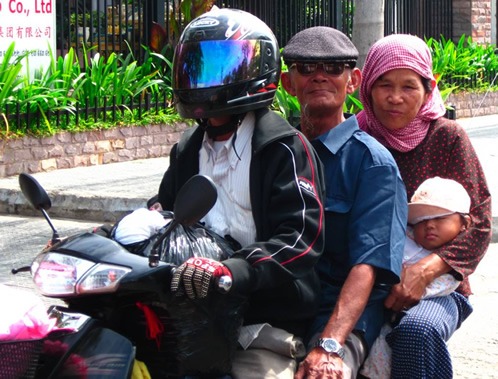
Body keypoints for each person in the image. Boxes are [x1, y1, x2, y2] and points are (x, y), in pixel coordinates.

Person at [153, 7, 325, 379]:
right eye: (197, 66)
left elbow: (300, 238)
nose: (205, 79)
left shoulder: (283, 147)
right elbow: (163, 214)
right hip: (195, 311)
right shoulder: (188, 149)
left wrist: (234, 271)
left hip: (266, 316)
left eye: (223, 65)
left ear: (257, 69)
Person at [357, 33, 492, 378]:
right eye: (384, 84)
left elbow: (477, 220)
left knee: (418, 331)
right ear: (367, 86)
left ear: (428, 88)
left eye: (409, 86)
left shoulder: (447, 137)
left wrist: (424, 272)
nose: (395, 98)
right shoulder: (356, 138)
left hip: (438, 289)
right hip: (361, 283)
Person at [280, 26, 408, 378]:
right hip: (280, 304)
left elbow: (367, 265)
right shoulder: (277, 153)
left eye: (333, 67)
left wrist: (330, 345)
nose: (320, 76)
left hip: (341, 313)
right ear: (287, 83)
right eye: (305, 68)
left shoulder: (373, 163)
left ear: (352, 81)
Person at [361, 176, 472, 378]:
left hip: (432, 302)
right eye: (421, 220)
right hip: (383, 303)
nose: (429, 225)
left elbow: (437, 288)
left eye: (439, 217)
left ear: (465, 223)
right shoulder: (403, 238)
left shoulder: (454, 262)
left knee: (417, 329)